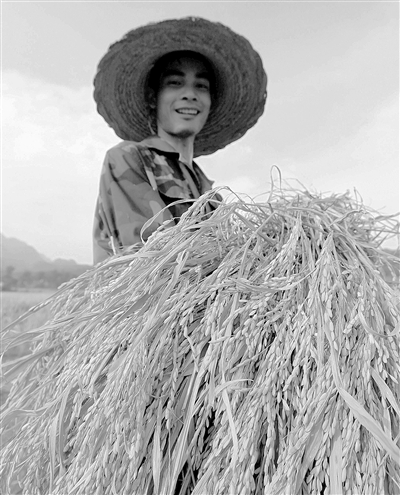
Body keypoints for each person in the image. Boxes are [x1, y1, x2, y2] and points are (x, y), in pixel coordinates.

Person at [92, 17, 268, 264]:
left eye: (201, 86)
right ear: (153, 97)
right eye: (175, 83)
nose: (189, 94)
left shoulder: (211, 194)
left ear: (210, 102)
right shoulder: (127, 159)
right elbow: (154, 257)